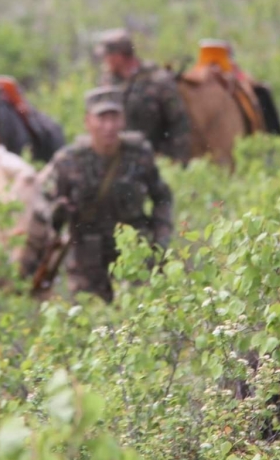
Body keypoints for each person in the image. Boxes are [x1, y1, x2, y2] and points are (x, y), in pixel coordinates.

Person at [20, 87, 174, 302]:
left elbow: (162, 197)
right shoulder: (68, 161)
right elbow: (42, 207)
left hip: (134, 256)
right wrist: (57, 213)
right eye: (101, 119)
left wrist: (161, 239)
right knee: (89, 323)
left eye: (114, 118)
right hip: (86, 262)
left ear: (123, 121)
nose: (109, 127)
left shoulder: (139, 154)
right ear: (88, 122)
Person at [96, 28, 191, 164]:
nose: (104, 61)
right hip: (117, 162)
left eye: (107, 56)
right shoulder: (106, 83)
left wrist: (177, 161)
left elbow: (179, 122)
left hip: (154, 159)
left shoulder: (158, 80)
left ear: (119, 56)